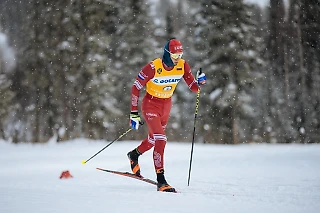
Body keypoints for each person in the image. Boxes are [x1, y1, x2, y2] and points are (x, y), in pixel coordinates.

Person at [127, 38, 206, 193]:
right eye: (175, 56)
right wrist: (134, 113)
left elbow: (193, 87)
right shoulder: (153, 67)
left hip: (166, 105)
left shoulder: (182, 65)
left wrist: (200, 82)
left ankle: (134, 154)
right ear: (168, 54)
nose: (178, 59)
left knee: (152, 140)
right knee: (161, 140)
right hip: (150, 104)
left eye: (180, 55)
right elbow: (136, 87)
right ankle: (161, 181)